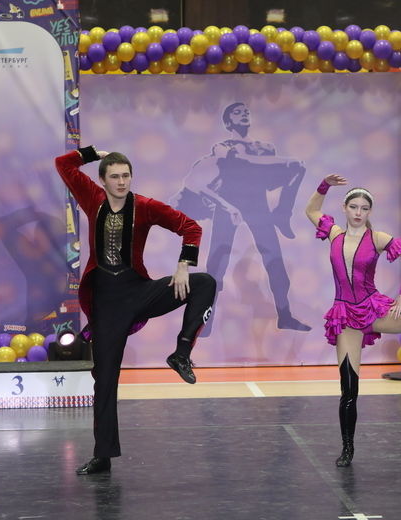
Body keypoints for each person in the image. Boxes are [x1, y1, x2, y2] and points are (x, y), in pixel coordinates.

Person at [55, 146, 216, 475]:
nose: (121, 181)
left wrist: (183, 266)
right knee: (105, 380)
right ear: (102, 180)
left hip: (138, 291)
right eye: (114, 176)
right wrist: (92, 153)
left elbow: (191, 227)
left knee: (205, 283)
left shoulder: (144, 206)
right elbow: (63, 164)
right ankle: (103, 456)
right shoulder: (91, 197)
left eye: (126, 176)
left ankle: (181, 353)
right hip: (106, 303)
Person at [305, 174, 401, 468]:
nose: (358, 212)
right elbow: (311, 210)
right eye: (354, 207)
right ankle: (348, 448)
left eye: (364, 208)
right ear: (344, 208)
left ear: (370, 212)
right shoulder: (334, 234)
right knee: (349, 390)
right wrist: (324, 185)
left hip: (373, 309)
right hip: (345, 317)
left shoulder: (377, 238)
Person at [192, 102, 309, 334]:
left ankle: (285, 315)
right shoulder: (222, 147)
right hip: (229, 206)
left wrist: (290, 165)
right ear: (228, 122)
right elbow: (246, 161)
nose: (243, 114)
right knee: (217, 264)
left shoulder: (265, 147)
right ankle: (206, 322)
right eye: (237, 112)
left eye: (246, 112)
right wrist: (287, 161)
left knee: (274, 260)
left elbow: (267, 175)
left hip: (258, 205)